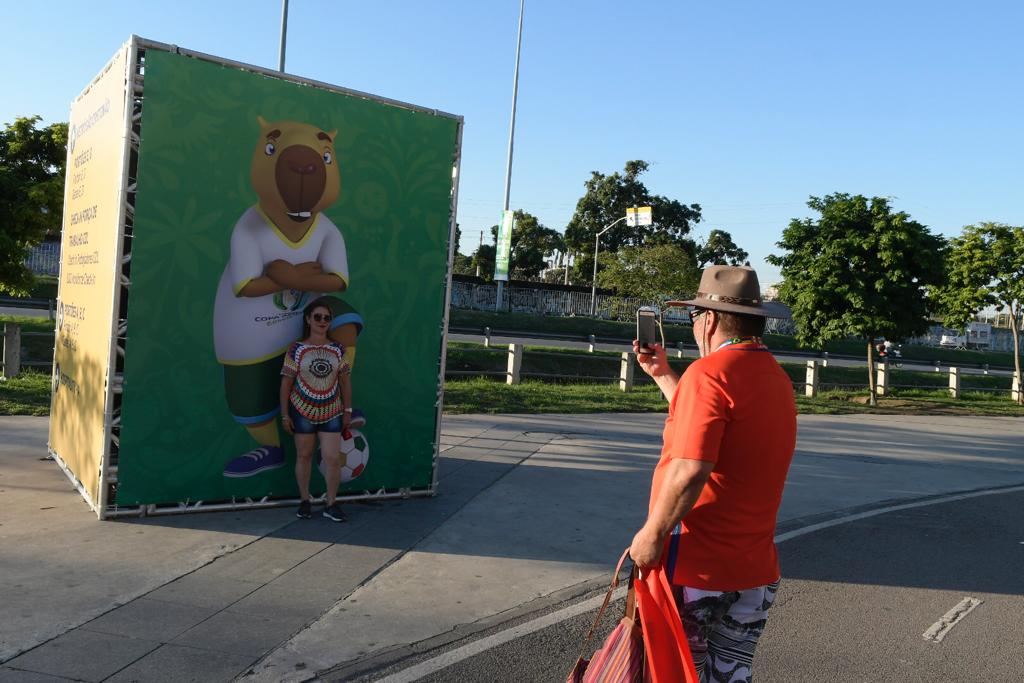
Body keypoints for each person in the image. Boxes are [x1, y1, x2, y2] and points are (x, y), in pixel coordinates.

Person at [629, 265, 797, 683]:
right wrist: (665, 375)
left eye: (694, 318)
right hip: (754, 571)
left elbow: (690, 468)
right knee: (730, 677)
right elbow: (714, 430)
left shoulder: (709, 376)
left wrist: (651, 535)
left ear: (710, 319)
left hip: (697, 571)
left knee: (674, 674)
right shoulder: (775, 377)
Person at [280, 297, 353, 522]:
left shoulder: (338, 349)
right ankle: (305, 500)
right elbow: (286, 383)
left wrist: (347, 410)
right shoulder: (296, 349)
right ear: (308, 320)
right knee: (304, 456)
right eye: (318, 317)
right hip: (301, 410)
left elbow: (344, 381)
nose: (322, 321)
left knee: (332, 458)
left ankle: (331, 503)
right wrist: (284, 414)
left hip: (332, 410)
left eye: (327, 318)